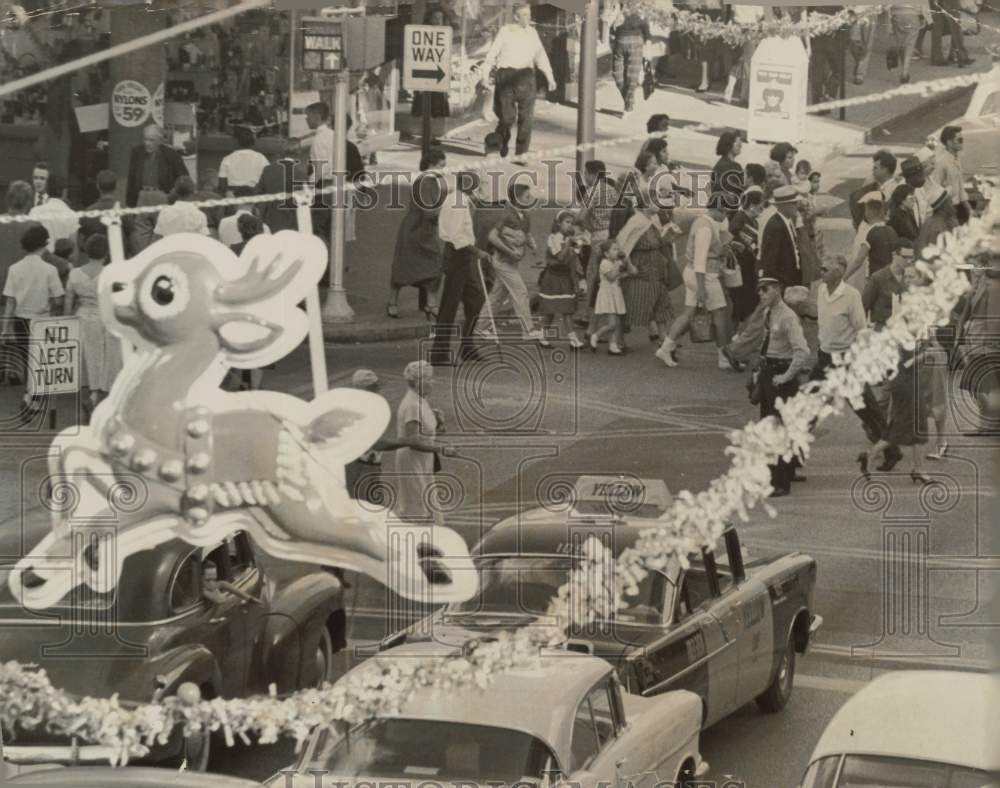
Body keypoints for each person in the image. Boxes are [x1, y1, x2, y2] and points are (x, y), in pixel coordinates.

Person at [867, 265, 935, 485]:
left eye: (911, 276)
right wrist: (925, 352)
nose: (907, 279)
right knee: (903, 425)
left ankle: (918, 468)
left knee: (915, 423)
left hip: (908, 373)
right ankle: (869, 459)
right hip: (906, 372)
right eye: (906, 276)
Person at [656, 192, 732, 369]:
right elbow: (700, 260)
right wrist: (701, 289)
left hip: (693, 273)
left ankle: (666, 347)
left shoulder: (703, 222)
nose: (725, 216)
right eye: (725, 212)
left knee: (688, 313)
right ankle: (723, 358)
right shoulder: (706, 227)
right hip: (703, 275)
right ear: (717, 209)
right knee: (719, 313)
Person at [755, 276, 810, 497]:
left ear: (778, 290)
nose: (761, 294)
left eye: (765, 289)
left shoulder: (787, 317)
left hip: (781, 374)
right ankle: (782, 473)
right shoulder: (769, 313)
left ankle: (780, 482)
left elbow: (802, 351)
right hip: (770, 371)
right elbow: (767, 342)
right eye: (759, 290)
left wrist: (786, 376)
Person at [0, 225, 65, 413]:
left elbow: (10, 301)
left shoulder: (14, 269)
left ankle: (30, 395)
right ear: (44, 244)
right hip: (43, 319)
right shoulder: (50, 269)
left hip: (21, 319)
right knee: (41, 360)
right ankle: (32, 397)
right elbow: (58, 298)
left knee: (27, 359)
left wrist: (5, 329)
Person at [430, 171, 491, 366]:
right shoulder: (458, 202)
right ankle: (439, 353)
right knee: (450, 304)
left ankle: (467, 345)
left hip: (462, 255)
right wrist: (478, 253)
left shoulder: (461, 199)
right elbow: (458, 237)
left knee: (476, 298)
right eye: (476, 184)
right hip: (458, 255)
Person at [482, 3, 557, 161]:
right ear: (516, 17)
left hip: (526, 77)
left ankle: (521, 153)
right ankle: (501, 140)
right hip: (506, 76)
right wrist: (484, 75)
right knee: (507, 117)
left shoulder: (532, 33)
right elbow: (492, 54)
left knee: (526, 118)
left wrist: (550, 77)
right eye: (524, 15)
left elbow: (540, 56)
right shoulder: (505, 31)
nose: (528, 18)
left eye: (529, 15)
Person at [391, 360, 456, 525]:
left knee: (429, 505)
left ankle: (430, 539)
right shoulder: (412, 405)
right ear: (418, 382)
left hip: (422, 459)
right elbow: (413, 441)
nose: (432, 382)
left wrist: (437, 427)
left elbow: (423, 432)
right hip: (412, 461)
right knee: (417, 506)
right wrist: (441, 448)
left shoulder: (420, 400)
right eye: (428, 379)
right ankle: (414, 544)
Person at [64, 234, 122, 416]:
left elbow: (68, 302)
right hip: (105, 317)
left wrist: (67, 321)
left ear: (86, 251)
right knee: (108, 358)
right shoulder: (111, 274)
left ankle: (92, 394)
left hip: (83, 317)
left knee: (90, 357)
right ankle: (98, 397)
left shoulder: (75, 273)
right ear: (106, 253)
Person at [389, 148, 447, 321]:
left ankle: (430, 303)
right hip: (416, 230)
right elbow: (429, 211)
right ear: (430, 165)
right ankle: (395, 302)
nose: (444, 170)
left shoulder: (430, 181)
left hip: (423, 230)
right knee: (407, 267)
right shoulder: (425, 183)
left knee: (431, 268)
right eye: (441, 166)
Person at [479, 180, 539, 340]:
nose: (530, 198)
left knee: (497, 296)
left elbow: (526, 233)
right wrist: (510, 252)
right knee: (521, 292)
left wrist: (532, 245)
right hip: (502, 261)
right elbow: (492, 237)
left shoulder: (524, 215)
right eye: (527, 196)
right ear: (517, 198)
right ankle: (528, 330)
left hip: (512, 262)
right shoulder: (505, 214)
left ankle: (482, 327)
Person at [618, 192, 679, 346]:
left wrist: (669, 237)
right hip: (641, 268)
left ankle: (663, 338)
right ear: (645, 205)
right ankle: (618, 340)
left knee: (661, 301)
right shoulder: (636, 221)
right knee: (633, 302)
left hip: (655, 267)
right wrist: (629, 266)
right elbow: (623, 245)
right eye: (654, 201)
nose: (658, 203)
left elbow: (657, 243)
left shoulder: (652, 220)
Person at [539, 210, 584, 348]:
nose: (570, 225)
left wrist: (578, 246)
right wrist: (569, 243)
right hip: (553, 278)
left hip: (565, 278)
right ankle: (543, 336)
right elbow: (560, 257)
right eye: (567, 222)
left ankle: (572, 339)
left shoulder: (569, 239)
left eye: (572, 223)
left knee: (567, 310)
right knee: (550, 310)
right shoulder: (554, 238)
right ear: (558, 224)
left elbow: (574, 259)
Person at [411, 7, 453, 143]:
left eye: (440, 19)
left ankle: (431, 136)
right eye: (435, 18)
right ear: (429, 19)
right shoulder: (423, 34)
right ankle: (426, 136)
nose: (437, 21)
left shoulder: (445, 35)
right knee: (424, 107)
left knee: (436, 108)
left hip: (439, 76)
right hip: (424, 74)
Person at [125, 125, 189, 208]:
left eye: (151, 140)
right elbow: (131, 178)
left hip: (162, 195)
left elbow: (183, 178)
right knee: (140, 220)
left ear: (160, 141)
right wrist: (129, 203)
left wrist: (171, 196)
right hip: (142, 195)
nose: (147, 143)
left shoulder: (171, 155)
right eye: (145, 139)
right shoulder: (137, 152)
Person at [590, 238, 634, 355]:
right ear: (606, 253)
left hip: (616, 293)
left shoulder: (615, 262)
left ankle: (613, 345)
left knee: (617, 322)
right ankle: (595, 335)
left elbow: (630, 273)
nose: (617, 251)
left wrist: (628, 264)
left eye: (618, 249)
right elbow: (611, 277)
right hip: (607, 294)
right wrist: (619, 265)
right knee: (612, 323)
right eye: (614, 249)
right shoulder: (604, 263)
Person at [846, 193, 899, 289]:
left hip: (874, 278)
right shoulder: (892, 231)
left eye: (866, 209)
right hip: (890, 277)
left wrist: (843, 278)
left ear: (869, 212)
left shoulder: (870, 232)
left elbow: (859, 260)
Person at [257, 138, 311, 234]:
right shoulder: (300, 174)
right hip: (292, 224)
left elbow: (258, 194)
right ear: (298, 152)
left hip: (270, 220)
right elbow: (304, 204)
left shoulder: (268, 170)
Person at [729, 189, 764, 326]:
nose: (762, 210)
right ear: (752, 205)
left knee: (750, 301)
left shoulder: (754, 221)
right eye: (760, 206)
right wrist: (741, 246)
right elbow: (730, 238)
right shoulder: (739, 217)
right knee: (739, 301)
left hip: (750, 266)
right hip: (740, 266)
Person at [610, 0, 651, 117]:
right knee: (617, 75)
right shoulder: (616, 8)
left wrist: (647, 51)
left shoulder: (640, 9)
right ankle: (630, 101)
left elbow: (646, 31)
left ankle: (628, 107)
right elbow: (610, 27)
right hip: (619, 44)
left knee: (631, 77)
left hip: (636, 43)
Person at [760, 185, 802, 288]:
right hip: (783, 281)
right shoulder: (775, 226)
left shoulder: (788, 220)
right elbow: (770, 260)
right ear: (783, 205)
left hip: (791, 276)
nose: (797, 205)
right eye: (793, 203)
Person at [28, 175, 78, 254]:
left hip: (40, 260)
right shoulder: (72, 215)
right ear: (65, 191)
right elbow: (73, 248)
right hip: (63, 262)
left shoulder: (35, 212)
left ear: (47, 190)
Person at [931, 125, 970, 225]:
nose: (962, 142)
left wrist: (970, 209)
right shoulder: (941, 162)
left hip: (957, 207)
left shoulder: (956, 159)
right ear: (949, 142)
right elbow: (935, 190)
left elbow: (961, 189)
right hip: (947, 211)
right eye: (959, 140)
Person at [79, 170, 130, 245]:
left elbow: (81, 242)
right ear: (115, 186)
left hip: (95, 254)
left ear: (97, 186)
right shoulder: (125, 210)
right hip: (118, 253)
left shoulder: (88, 212)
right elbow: (130, 235)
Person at [218, 126, 270, 197]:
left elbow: (222, 186)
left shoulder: (227, 159)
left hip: (234, 196)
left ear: (235, 141)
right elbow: (267, 180)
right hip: (254, 196)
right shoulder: (261, 158)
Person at [889, 1, 931, 84]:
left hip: (897, 14)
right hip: (912, 16)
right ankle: (904, 72)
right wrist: (927, 19)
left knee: (901, 42)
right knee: (910, 45)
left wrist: (889, 15)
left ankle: (903, 67)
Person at [915, 185, 958, 258]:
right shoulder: (937, 226)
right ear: (944, 207)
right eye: (951, 202)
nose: (953, 205)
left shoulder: (938, 221)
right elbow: (937, 256)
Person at [712, 130, 744, 211]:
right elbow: (726, 192)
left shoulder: (736, 166)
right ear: (728, 145)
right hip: (725, 210)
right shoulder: (722, 166)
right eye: (738, 143)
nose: (741, 145)